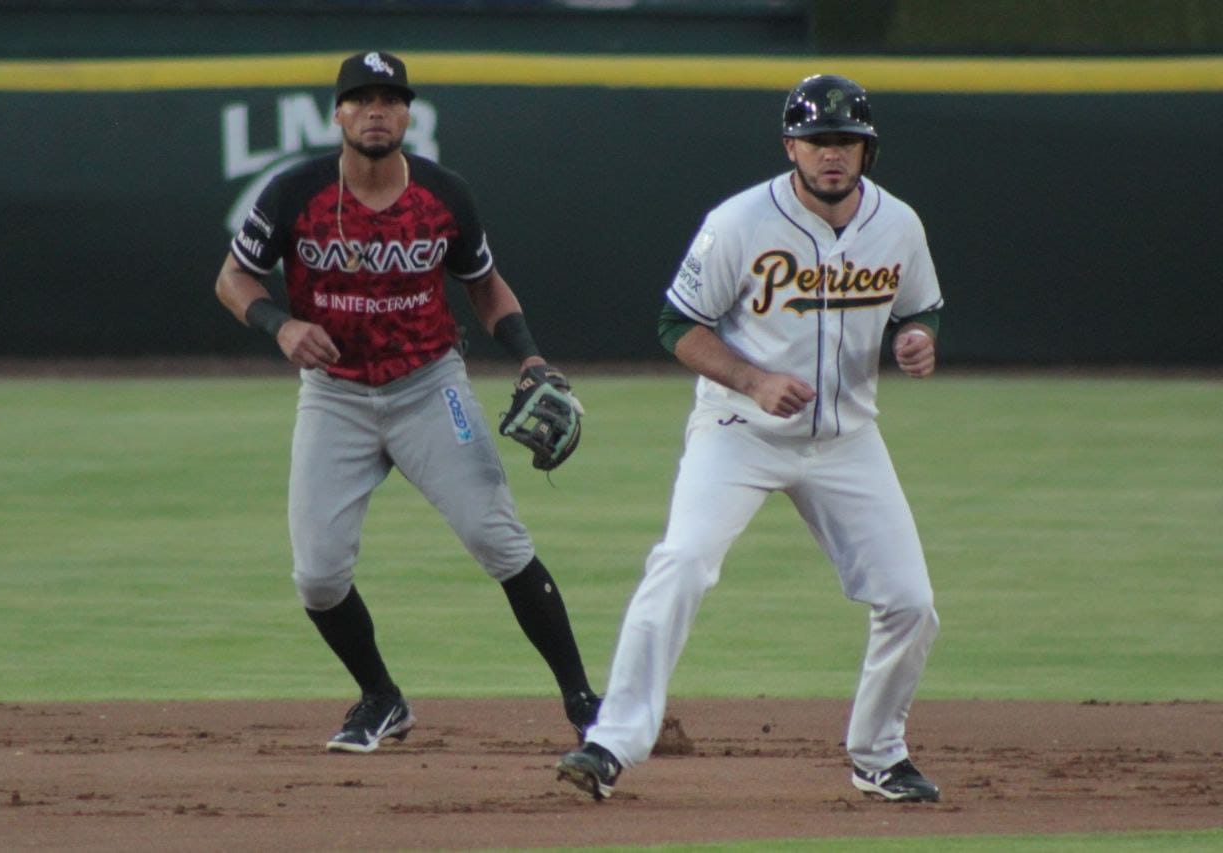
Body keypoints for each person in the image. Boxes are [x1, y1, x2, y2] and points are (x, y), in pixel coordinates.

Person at [556, 73, 944, 802]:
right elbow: (677, 325)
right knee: (682, 560)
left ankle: (879, 752)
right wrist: (751, 380)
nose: (833, 154)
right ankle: (612, 739)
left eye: (847, 141)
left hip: (846, 437)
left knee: (911, 602)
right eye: (819, 140)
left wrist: (919, 337)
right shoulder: (738, 222)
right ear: (790, 145)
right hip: (740, 430)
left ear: (868, 151)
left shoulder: (899, 224)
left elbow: (922, 309)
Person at [215, 50, 600, 752]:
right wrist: (281, 324)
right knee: (318, 572)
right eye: (361, 99)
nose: (375, 111)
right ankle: (381, 697)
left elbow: (484, 283)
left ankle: (585, 702)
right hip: (335, 398)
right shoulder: (296, 191)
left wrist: (531, 354)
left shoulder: (442, 194)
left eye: (389, 99)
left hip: (429, 386)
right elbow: (234, 277)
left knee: (498, 538)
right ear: (337, 114)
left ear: (407, 114)